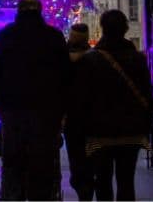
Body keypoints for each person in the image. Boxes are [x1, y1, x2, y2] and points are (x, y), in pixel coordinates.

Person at [68, 10, 153, 201]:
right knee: (126, 181)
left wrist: (79, 130)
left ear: (103, 28)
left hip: (99, 132)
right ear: (125, 28)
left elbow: (81, 99)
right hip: (131, 130)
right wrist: (146, 124)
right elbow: (148, 94)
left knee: (102, 180)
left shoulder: (90, 60)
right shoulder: (138, 59)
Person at [0, 0, 71, 201]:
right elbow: (65, 76)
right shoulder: (53, 36)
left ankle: (14, 196)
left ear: (18, 11)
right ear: (40, 10)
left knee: (13, 166)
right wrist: (60, 112)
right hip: (46, 114)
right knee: (43, 165)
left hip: (14, 112)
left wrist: (2, 110)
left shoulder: (6, 36)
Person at [64, 22, 93, 200]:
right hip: (91, 117)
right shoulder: (94, 58)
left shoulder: (62, 59)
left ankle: (82, 186)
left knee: (76, 158)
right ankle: (86, 186)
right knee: (89, 159)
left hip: (72, 117)